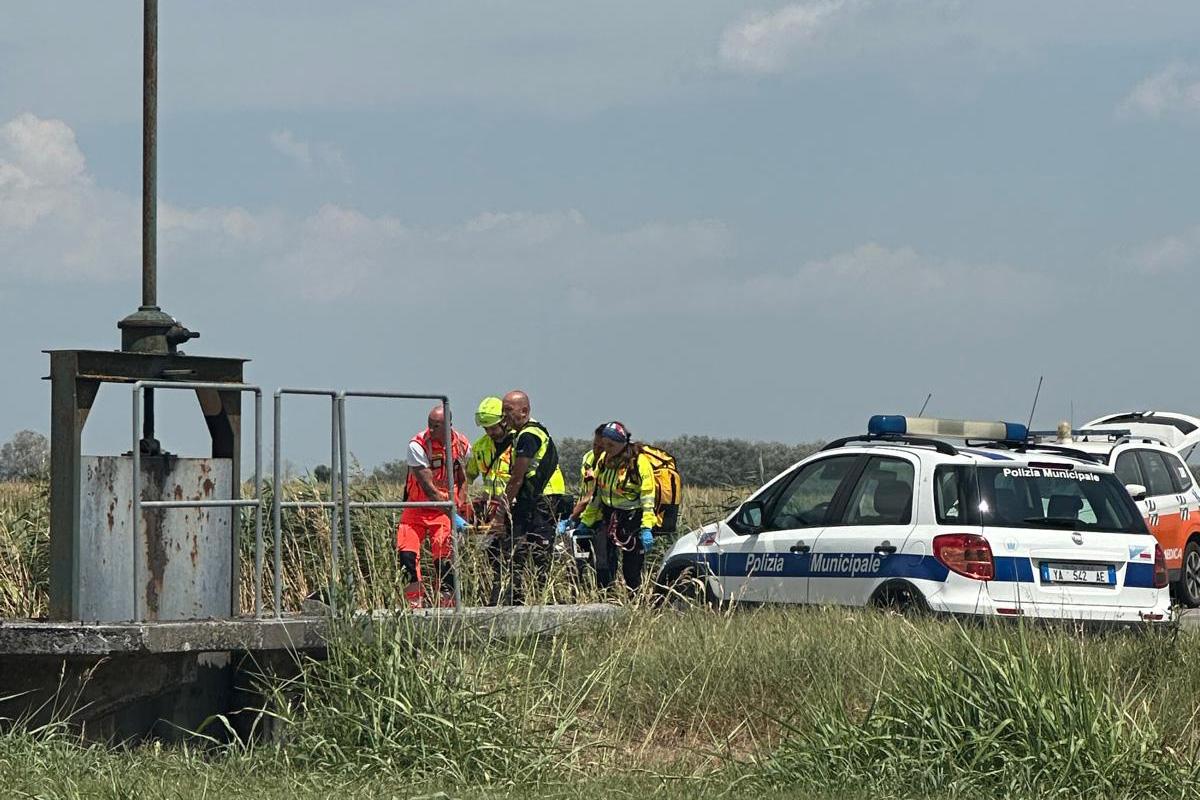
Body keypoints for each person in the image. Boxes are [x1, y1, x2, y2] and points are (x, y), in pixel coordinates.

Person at [487, 389, 562, 604]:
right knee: (516, 553)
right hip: (534, 501)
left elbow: (516, 478)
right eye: (503, 411)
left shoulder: (529, 436)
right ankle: (517, 600)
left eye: (509, 411)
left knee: (531, 554)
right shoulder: (528, 432)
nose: (504, 416)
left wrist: (500, 515)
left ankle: (533, 602)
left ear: (524, 411)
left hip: (540, 503)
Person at [396, 404, 470, 608]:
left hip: (444, 511)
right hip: (417, 507)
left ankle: (446, 606)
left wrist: (460, 504)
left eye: (436, 426)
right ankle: (414, 606)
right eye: (430, 424)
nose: (431, 429)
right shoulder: (417, 445)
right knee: (407, 556)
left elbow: (464, 479)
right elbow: (428, 488)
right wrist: (452, 512)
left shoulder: (463, 445)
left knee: (445, 560)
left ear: (448, 426)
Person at [576, 421, 656, 592]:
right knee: (604, 563)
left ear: (622, 443)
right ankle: (606, 599)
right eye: (605, 444)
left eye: (611, 445)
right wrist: (586, 521)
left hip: (632, 518)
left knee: (631, 568)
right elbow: (597, 495)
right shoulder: (604, 461)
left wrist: (646, 527)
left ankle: (634, 602)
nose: (607, 448)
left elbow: (648, 497)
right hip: (610, 515)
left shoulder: (639, 462)